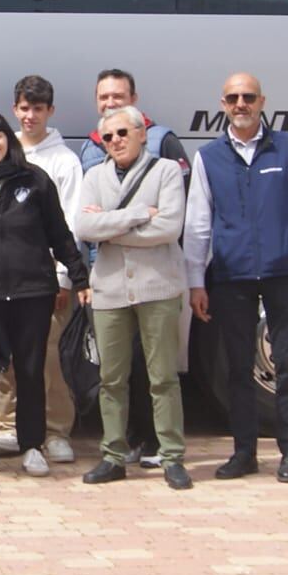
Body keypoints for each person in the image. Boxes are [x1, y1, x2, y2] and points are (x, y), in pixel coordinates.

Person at [184, 73, 288, 484]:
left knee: (287, 365)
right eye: (232, 98)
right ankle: (244, 452)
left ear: (262, 101)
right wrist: (196, 282)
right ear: (222, 104)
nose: (240, 103)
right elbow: (198, 225)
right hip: (231, 275)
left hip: (281, 272)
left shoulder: (287, 146)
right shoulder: (208, 157)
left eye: (247, 97)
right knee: (238, 369)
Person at [0, 111, 89, 479]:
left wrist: (79, 276)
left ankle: (32, 445)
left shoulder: (34, 180)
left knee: (30, 371)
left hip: (33, 292)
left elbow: (59, 232)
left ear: (9, 139)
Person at [74, 106, 190, 488]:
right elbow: (84, 226)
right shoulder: (94, 175)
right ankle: (113, 454)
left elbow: (170, 227)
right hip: (109, 289)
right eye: (107, 137)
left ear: (142, 133)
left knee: (162, 376)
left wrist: (110, 226)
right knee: (111, 378)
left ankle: (171, 455)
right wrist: (140, 213)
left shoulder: (166, 171)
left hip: (158, 286)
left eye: (123, 133)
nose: (116, 141)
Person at [0, 75, 85, 465]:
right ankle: (10, 426)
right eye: (24, 108)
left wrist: (63, 277)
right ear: (15, 109)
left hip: (48, 280)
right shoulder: (2, 153)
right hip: (7, 279)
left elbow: (70, 226)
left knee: (45, 356)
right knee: (9, 357)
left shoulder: (64, 161)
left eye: (38, 109)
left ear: (50, 111)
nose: (30, 116)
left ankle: (56, 430)